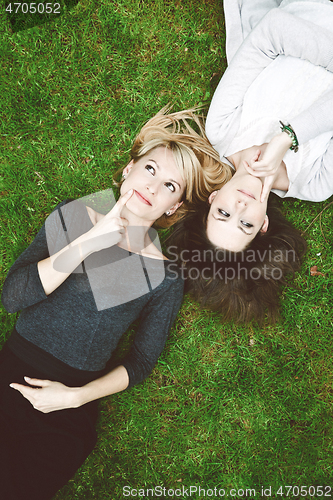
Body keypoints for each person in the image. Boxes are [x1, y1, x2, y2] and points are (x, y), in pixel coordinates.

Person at [0, 108, 230, 500]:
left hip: (65, 411)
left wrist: (74, 397)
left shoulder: (165, 275)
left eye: (171, 187)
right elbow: (13, 297)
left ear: (172, 208)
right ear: (129, 170)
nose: (154, 188)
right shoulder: (74, 215)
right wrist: (88, 242)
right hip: (9, 376)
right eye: (151, 169)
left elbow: (141, 360)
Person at [167, 0, 333, 323]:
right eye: (245, 224)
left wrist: (285, 139)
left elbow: (273, 31)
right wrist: (284, 142)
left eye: (224, 213)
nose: (241, 207)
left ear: (213, 199)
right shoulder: (316, 181)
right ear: (264, 226)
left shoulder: (223, 128)